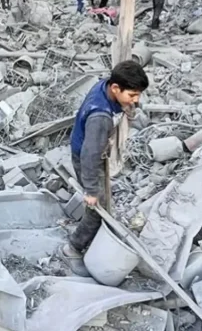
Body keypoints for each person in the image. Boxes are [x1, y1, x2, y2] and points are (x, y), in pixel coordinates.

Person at [60, 61, 149, 274]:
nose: (136, 100)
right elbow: (90, 156)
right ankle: (73, 248)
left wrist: (126, 106)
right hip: (87, 158)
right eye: (132, 95)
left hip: (85, 147)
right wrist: (91, 191)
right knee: (97, 210)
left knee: (101, 202)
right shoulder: (100, 118)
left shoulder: (104, 85)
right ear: (115, 88)